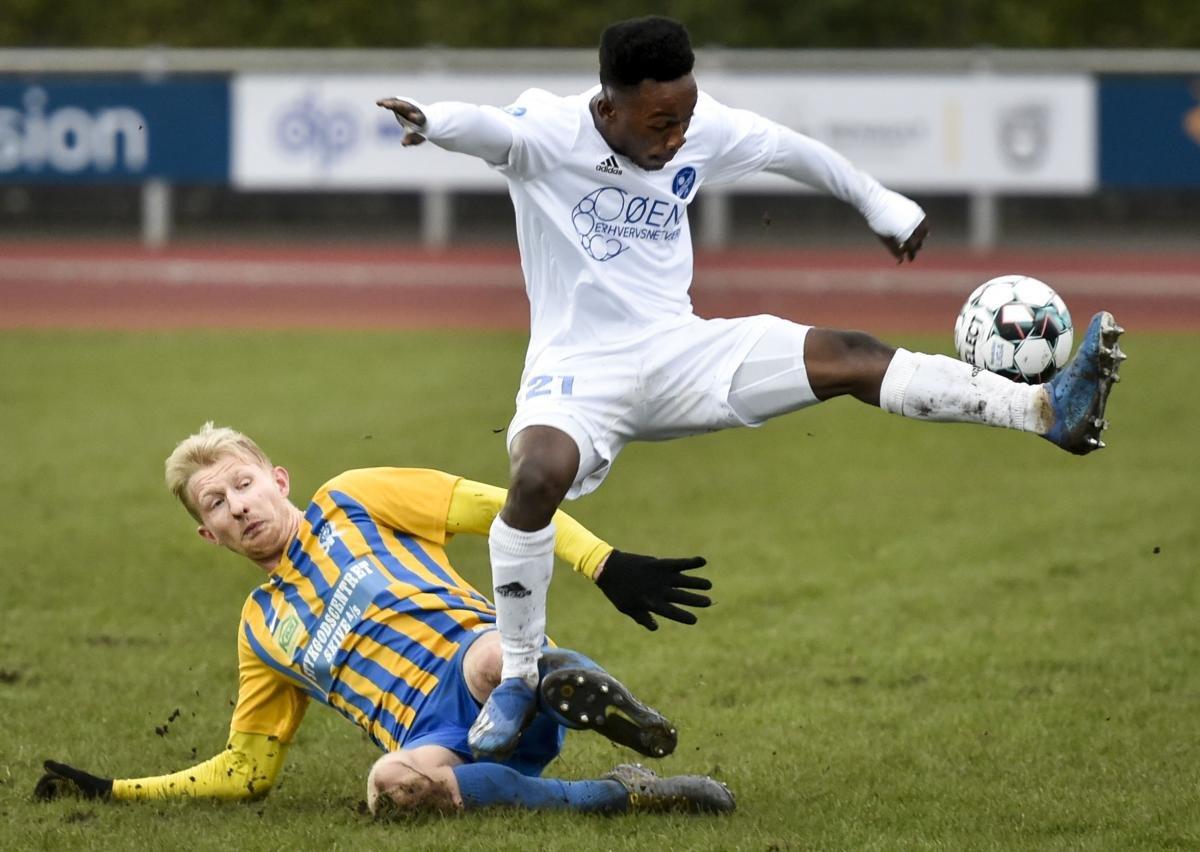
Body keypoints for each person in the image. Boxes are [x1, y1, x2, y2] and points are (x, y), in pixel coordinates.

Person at [376, 15, 1126, 761]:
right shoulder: (549, 128)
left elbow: (790, 151)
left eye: (685, 119)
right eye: (659, 122)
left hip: (684, 351)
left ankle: (1044, 409)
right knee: (536, 476)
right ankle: (517, 671)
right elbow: (489, 132)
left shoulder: (694, 127)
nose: (675, 138)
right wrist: (433, 121)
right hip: (577, 371)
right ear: (608, 107)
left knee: (849, 355)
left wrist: (877, 201)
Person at [33, 422, 733, 816]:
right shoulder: (260, 628)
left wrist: (603, 562)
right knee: (391, 789)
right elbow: (248, 770)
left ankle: (564, 680)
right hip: (438, 736)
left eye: (244, 485)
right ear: (208, 536)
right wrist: (114, 789)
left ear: (278, 479)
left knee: (493, 661)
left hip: (479, 660)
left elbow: (501, 506)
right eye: (216, 505)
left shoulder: (353, 500)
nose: (238, 507)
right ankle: (626, 797)